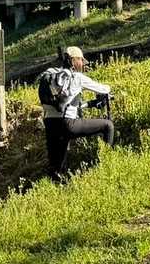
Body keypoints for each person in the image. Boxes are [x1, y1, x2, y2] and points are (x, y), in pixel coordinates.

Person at [39, 45, 115, 178]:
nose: (83, 64)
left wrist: (91, 104)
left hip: (50, 124)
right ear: (74, 60)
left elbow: (68, 105)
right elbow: (104, 89)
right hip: (67, 124)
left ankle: (57, 185)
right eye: (81, 60)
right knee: (108, 125)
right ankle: (106, 165)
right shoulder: (76, 77)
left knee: (56, 168)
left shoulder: (53, 77)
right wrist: (109, 90)